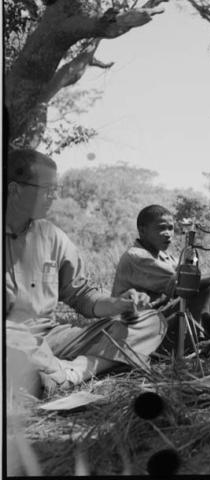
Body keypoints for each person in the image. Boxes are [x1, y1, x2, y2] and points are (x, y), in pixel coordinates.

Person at [5, 149, 168, 397]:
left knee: (149, 322)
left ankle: (73, 372)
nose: (53, 196)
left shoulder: (52, 236)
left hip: (52, 336)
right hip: (10, 337)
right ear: (15, 189)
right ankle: (51, 372)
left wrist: (117, 304)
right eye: (46, 189)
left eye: (55, 189)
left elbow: (81, 294)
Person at [112, 205, 210, 356]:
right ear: (143, 230)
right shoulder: (136, 256)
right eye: (161, 228)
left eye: (171, 228)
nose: (168, 234)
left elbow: (190, 278)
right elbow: (184, 284)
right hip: (141, 335)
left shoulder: (166, 257)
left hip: (161, 325)